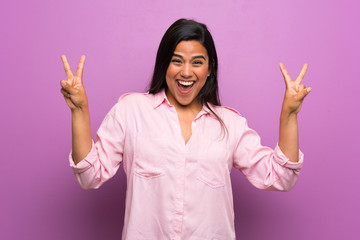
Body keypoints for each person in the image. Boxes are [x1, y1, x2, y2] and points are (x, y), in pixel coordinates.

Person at [60, 19, 311, 240]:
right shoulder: (131, 111)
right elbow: (89, 175)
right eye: (176, 61)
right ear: (164, 64)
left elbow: (281, 176)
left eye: (197, 62)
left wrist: (289, 114)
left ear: (210, 67)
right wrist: (79, 111)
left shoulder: (230, 124)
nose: (186, 72)